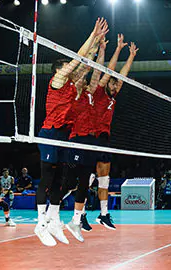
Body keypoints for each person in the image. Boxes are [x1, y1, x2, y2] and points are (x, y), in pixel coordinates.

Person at [35, 18, 107, 247]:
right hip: (49, 132)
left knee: (60, 180)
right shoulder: (56, 82)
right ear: (59, 69)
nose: (72, 69)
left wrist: (98, 44)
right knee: (47, 178)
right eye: (67, 66)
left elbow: (86, 65)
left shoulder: (72, 87)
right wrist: (92, 34)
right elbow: (78, 59)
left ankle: (54, 219)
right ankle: (40, 224)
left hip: (64, 135)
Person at [85, 36, 138, 230]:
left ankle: (103, 214)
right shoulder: (98, 92)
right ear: (107, 83)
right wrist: (113, 50)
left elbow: (122, 75)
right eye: (113, 83)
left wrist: (130, 56)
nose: (116, 86)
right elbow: (106, 71)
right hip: (92, 136)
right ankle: (80, 213)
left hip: (104, 137)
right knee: (89, 177)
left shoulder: (113, 96)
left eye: (117, 84)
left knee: (104, 176)